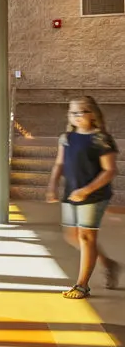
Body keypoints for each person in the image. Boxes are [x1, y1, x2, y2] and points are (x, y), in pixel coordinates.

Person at [46, 95, 119, 299]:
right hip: (72, 193)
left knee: (86, 237)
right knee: (72, 236)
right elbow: (59, 164)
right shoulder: (66, 138)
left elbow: (109, 170)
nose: (77, 116)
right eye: (72, 112)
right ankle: (107, 263)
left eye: (82, 111)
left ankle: (82, 285)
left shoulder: (101, 139)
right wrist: (52, 185)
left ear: (93, 114)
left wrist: (86, 190)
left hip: (94, 195)